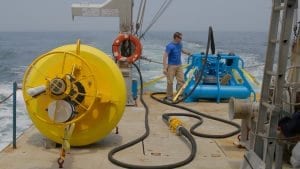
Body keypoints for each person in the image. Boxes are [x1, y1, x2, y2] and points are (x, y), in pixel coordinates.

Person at [163, 32, 191, 102]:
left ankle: (179, 95)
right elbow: (165, 56)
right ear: (176, 38)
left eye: (181, 38)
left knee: (181, 81)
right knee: (170, 82)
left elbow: (181, 50)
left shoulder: (180, 44)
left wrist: (188, 53)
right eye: (180, 38)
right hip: (171, 66)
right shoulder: (169, 46)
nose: (181, 39)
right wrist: (164, 67)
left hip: (179, 65)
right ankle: (169, 97)